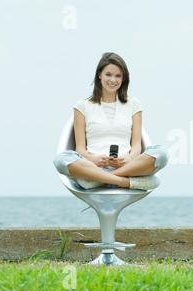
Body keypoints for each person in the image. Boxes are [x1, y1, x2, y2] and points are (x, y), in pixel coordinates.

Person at [53, 52, 168, 190]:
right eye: (108, 74)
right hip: (93, 166)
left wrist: (130, 159)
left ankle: (99, 180)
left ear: (123, 78)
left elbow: (137, 145)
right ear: (99, 75)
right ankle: (123, 182)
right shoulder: (82, 106)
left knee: (161, 152)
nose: (113, 80)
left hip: (126, 167)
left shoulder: (133, 104)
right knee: (61, 159)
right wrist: (94, 160)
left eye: (118, 76)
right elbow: (80, 150)